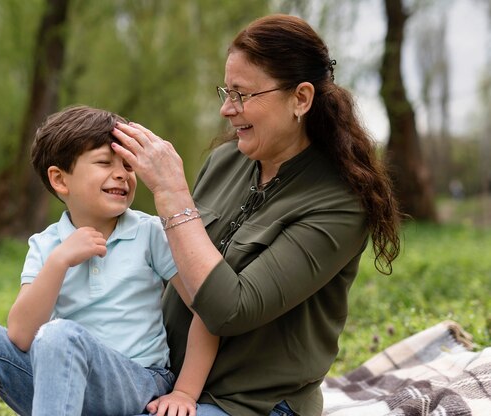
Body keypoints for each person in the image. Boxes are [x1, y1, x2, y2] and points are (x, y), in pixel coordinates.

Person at [112, 14, 401, 416]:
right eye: (225, 92)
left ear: (300, 98)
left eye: (242, 94)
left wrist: (172, 193)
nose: (226, 110)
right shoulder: (225, 160)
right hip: (164, 385)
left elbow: (230, 310)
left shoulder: (340, 202)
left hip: (251, 404)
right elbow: (172, 267)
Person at [0, 105, 218, 416]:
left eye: (128, 165)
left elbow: (208, 309)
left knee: (60, 336)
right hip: (56, 379)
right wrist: (59, 261)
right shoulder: (47, 245)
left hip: (137, 380)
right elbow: (20, 334)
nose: (121, 174)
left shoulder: (149, 233)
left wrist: (184, 391)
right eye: (104, 162)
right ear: (61, 180)